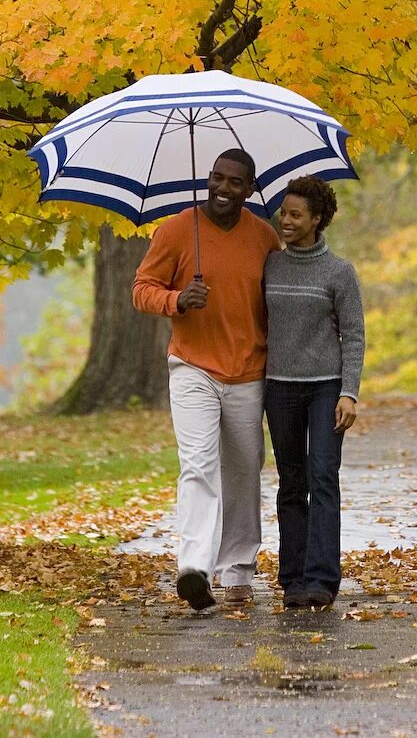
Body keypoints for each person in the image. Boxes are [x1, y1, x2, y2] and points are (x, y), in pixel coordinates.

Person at [132, 147, 281, 612]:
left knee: (243, 471)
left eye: (235, 182)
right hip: (193, 367)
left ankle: (237, 570)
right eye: (217, 178)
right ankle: (193, 568)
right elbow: (141, 290)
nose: (223, 188)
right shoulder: (177, 230)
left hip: (248, 371)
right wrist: (177, 300)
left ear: (250, 189)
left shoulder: (264, 238)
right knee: (197, 464)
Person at [262, 174, 366, 611]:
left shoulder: (339, 272)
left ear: (317, 219)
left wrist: (349, 392)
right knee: (291, 481)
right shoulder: (269, 264)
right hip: (279, 388)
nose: (284, 220)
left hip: (325, 387)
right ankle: (293, 578)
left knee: (323, 476)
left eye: (294, 214)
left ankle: (321, 578)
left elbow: (355, 336)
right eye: (283, 212)